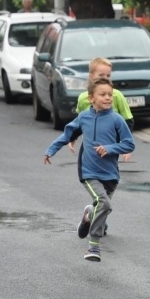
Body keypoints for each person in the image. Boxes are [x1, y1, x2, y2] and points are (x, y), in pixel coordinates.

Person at [43, 77, 135, 262]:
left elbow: (129, 144)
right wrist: (51, 150)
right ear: (91, 98)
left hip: (110, 174)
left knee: (101, 207)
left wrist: (110, 148)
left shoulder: (117, 119)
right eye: (103, 94)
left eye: (110, 94)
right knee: (104, 203)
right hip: (89, 172)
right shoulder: (84, 117)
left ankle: (88, 216)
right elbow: (67, 134)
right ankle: (94, 247)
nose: (108, 98)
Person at [70, 57, 134, 161]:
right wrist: (73, 137)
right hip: (90, 144)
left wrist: (125, 144)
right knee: (86, 167)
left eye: (108, 76)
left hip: (111, 143)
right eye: (101, 75)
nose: (105, 78)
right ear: (91, 77)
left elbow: (128, 120)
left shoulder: (117, 96)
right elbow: (79, 122)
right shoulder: (83, 98)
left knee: (107, 168)